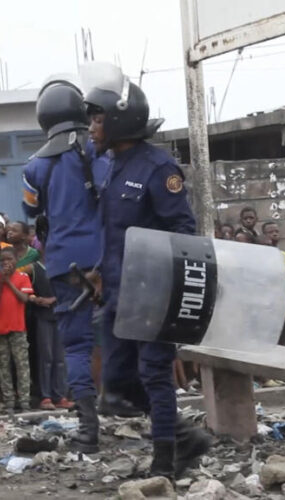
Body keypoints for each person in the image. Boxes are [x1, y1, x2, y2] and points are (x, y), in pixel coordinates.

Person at [85, 62, 210, 478]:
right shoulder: (114, 167)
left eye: (97, 119)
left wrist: (169, 289)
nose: (91, 128)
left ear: (120, 120)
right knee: (117, 386)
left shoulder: (158, 169)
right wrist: (102, 272)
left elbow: (183, 230)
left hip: (154, 292)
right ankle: (183, 436)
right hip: (120, 292)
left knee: (154, 373)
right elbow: (115, 232)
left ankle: (165, 462)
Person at [22, 73, 106, 453]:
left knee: (75, 346)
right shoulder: (98, 150)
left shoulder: (34, 165)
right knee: (125, 337)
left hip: (62, 265)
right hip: (106, 260)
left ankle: (88, 431)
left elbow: (28, 207)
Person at [0, 248, 33, 411]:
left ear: (16, 260)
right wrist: (1, 283)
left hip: (18, 327)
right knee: (3, 366)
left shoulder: (22, 277)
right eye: (3, 261)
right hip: (0, 328)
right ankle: (8, 400)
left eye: (9, 259)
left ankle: (24, 400)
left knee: (22, 365)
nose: (6, 263)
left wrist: (9, 282)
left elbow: (24, 299)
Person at [29, 252, 72, 411]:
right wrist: (35, 299)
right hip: (42, 316)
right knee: (45, 357)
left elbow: (71, 289)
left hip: (61, 315)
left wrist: (54, 299)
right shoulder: (34, 268)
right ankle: (45, 395)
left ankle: (60, 395)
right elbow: (25, 287)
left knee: (60, 358)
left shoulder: (63, 267)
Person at [262, 221, 285, 346]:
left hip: (283, 307)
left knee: (282, 342)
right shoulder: (260, 257)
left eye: (276, 231)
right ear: (264, 235)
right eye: (270, 232)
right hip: (266, 307)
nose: (274, 234)